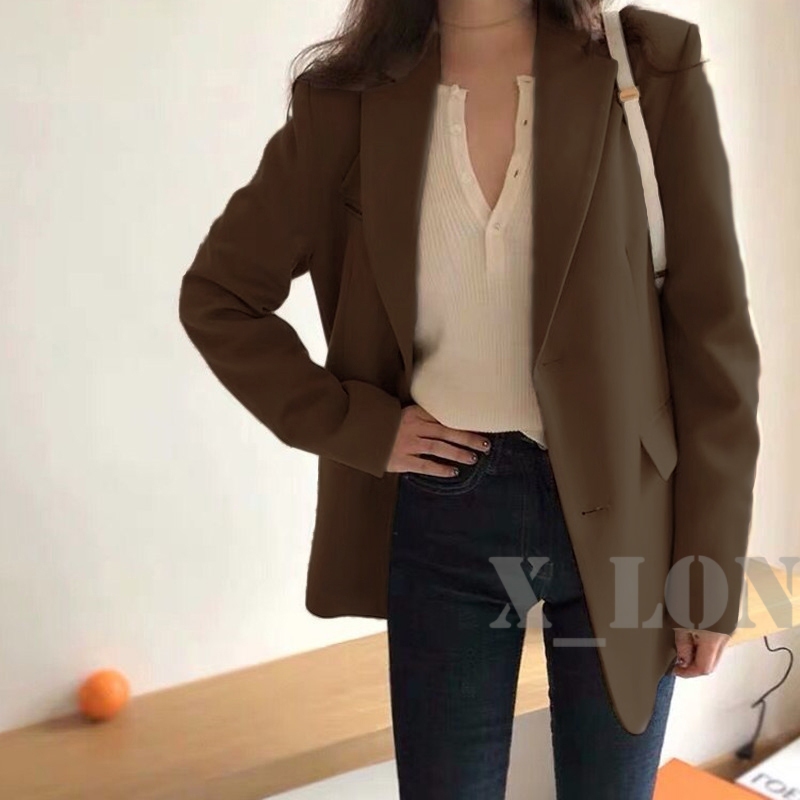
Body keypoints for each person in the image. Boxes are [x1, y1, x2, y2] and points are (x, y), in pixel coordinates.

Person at [178, 0, 761, 797]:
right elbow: (220, 295)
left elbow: (713, 332)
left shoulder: (645, 66)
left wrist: (709, 575)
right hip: (444, 515)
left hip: (628, 511)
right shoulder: (345, 100)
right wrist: (358, 426)